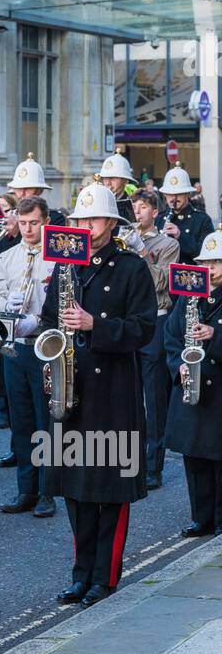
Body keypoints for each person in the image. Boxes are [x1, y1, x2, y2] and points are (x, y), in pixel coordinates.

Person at [39, 181, 157, 610]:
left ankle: (104, 577)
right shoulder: (65, 265)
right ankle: (80, 573)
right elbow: (50, 319)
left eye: (93, 219)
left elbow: (144, 328)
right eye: (80, 220)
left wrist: (96, 325)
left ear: (110, 222)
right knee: (75, 488)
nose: (85, 226)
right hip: (73, 389)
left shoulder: (131, 267)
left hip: (113, 392)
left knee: (110, 489)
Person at [0, 197, 56, 517]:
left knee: (45, 420)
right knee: (21, 421)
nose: (29, 229)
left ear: (45, 222)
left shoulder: (57, 258)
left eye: (35, 223)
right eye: (24, 222)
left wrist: (40, 319)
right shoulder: (7, 258)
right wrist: (7, 308)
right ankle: (25, 489)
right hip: (15, 345)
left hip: (44, 345)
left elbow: (62, 300)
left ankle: (48, 491)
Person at [164, 227, 222, 538]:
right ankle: (201, 518)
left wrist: (216, 336)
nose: (209, 270)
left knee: (219, 460)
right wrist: (179, 366)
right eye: (206, 263)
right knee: (194, 458)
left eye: (216, 263)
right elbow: (171, 335)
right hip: (192, 384)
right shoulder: (190, 294)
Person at [131, 189, 179, 490]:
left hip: (157, 318)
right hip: (129, 321)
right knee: (129, 394)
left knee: (153, 397)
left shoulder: (168, 245)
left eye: (144, 206)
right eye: (134, 206)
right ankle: (132, 459)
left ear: (155, 212)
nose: (137, 211)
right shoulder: (124, 239)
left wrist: (141, 253)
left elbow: (161, 280)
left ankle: (153, 465)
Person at [159, 166, 213, 263]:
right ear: (165, 195)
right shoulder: (158, 218)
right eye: (170, 194)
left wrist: (180, 236)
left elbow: (207, 254)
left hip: (187, 275)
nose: (174, 198)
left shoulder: (202, 220)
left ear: (187, 194)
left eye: (179, 193)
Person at [99, 152, 138, 227]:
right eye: (105, 178)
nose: (108, 182)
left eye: (113, 178)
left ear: (126, 181)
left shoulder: (134, 206)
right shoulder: (97, 202)